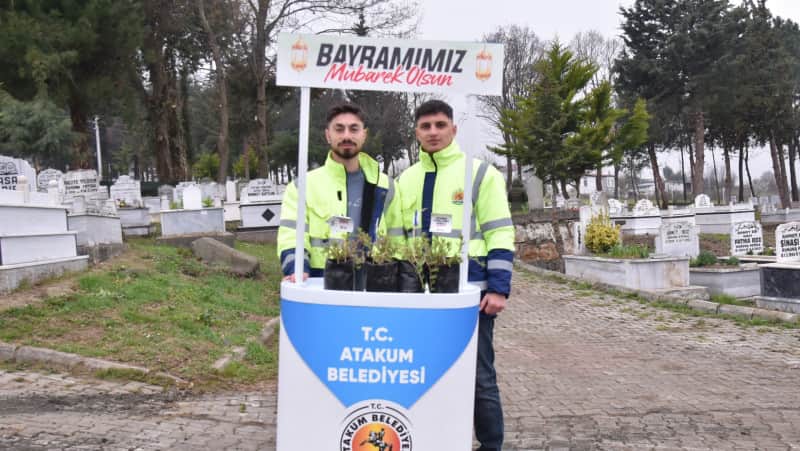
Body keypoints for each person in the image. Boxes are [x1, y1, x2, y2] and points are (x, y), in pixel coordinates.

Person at [394, 100, 514, 451]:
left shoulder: (480, 175)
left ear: (453, 130)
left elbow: (500, 233)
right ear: (416, 132)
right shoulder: (405, 181)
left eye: (440, 125)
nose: (433, 132)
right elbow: (399, 241)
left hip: (471, 298)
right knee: (425, 373)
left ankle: (491, 445)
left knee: (479, 376)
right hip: (421, 299)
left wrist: (499, 289)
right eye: (426, 126)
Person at [277, 103, 401, 281]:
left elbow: (397, 238)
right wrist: (295, 269)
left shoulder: (386, 186)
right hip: (320, 281)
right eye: (339, 129)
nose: (346, 136)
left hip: (374, 282)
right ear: (328, 135)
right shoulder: (302, 186)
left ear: (364, 134)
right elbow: (291, 235)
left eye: (353, 129)